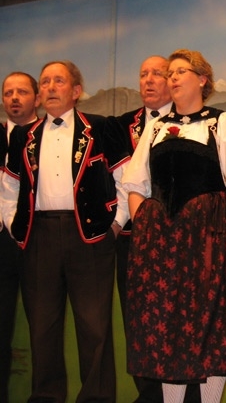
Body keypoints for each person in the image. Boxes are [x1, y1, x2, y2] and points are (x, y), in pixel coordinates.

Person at [123, 48, 226, 403]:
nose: (173, 78)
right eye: (170, 73)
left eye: (180, 71)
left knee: (210, 327)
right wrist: (147, 228)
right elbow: (135, 184)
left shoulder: (222, 123)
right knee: (168, 328)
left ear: (202, 79)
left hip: (206, 242)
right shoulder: (154, 128)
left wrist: (223, 233)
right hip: (162, 245)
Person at [1, 60, 129, 403]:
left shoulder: (101, 127)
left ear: (76, 91)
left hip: (89, 237)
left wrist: (115, 224)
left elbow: (126, 178)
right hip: (38, 237)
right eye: (45, 82)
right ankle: (46, 396)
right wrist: (16, 226)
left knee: (94, 327)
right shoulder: (24, 137)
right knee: (42, 326)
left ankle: (97, 398)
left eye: (59, 81)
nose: (50, 87)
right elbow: (9, 186)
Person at [116, 55, 202, 403]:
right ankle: (150, 395)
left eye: (158, 73)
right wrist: (144, 226)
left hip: (188, 239)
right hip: (140, 239)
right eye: (143, 74)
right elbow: (127, 184)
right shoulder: (121, 126)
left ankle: (191, 395)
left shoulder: (203, 123)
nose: (149, 80)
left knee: (188, 318)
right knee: (144, 321)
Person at [0, 71, 39, 403]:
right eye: (8, 92)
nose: (14, 98)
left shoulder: (47, 136)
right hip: (2, 244)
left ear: (36, 98)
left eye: (22, 92)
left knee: (43, 326)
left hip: (38, 241)